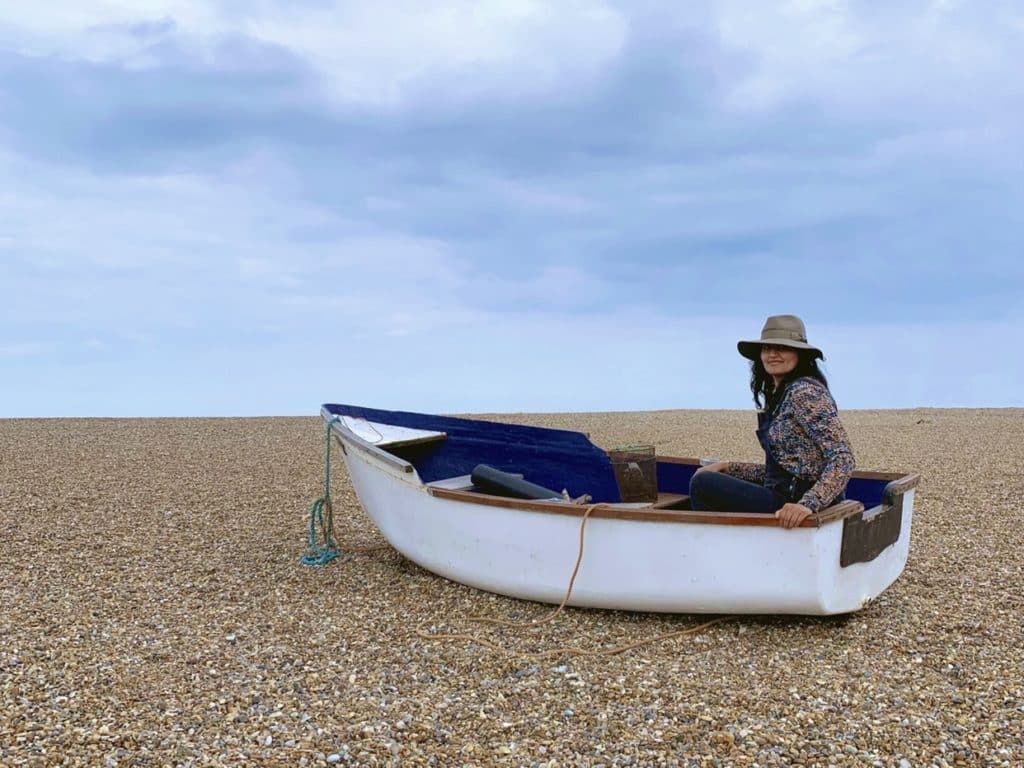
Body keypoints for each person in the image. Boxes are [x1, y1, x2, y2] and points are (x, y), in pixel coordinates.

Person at [689, 314, 854, 529]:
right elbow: (784, 472)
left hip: (795, 502)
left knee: (703, 484)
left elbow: (844, 458)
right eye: (767, 349)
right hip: (786, 494)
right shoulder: (781, 394)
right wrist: (728, 467)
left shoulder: (804, 393)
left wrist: (808, 504)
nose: (772, 354)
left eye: (782, 348)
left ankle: (711, 548)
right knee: (710, 474)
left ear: (799, 354)